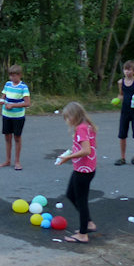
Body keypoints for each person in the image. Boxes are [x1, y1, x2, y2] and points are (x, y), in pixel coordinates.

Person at [56, 102, 98, 243]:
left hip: (83, 170)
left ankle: (83, 234)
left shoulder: (81, 128)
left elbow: (87, 150)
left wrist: (68, 158)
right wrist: (71, 152)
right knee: (71, 194)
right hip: (86, 168)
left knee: (81, 200)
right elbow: (91, 146)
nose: (67, 121)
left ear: (75, 115)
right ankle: (89, 223)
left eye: (68, 117)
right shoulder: (87, 125)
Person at [0, 65, 30, 170]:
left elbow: (27, 103)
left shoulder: (23, 87)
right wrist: (1, 101)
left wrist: (13, 105)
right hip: (6, 115)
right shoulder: (7, 84)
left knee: (17, 138)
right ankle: (7, 160)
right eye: (10, 76)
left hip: (18, 117)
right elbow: (3, 97)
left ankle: (17, 161)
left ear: (20, 75)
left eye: (14, 76)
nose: (12, 78)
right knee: (7, 138)